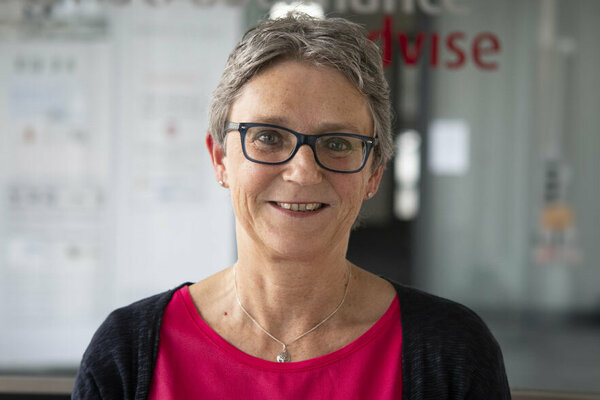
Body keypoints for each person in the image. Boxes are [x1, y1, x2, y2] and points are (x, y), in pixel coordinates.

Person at [72, 13, 510, 400]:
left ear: (374, 173)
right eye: (268, 137)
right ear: (220, 159)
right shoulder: (128, 352)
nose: (303, 172)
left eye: (337, 143)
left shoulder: (453, 352)